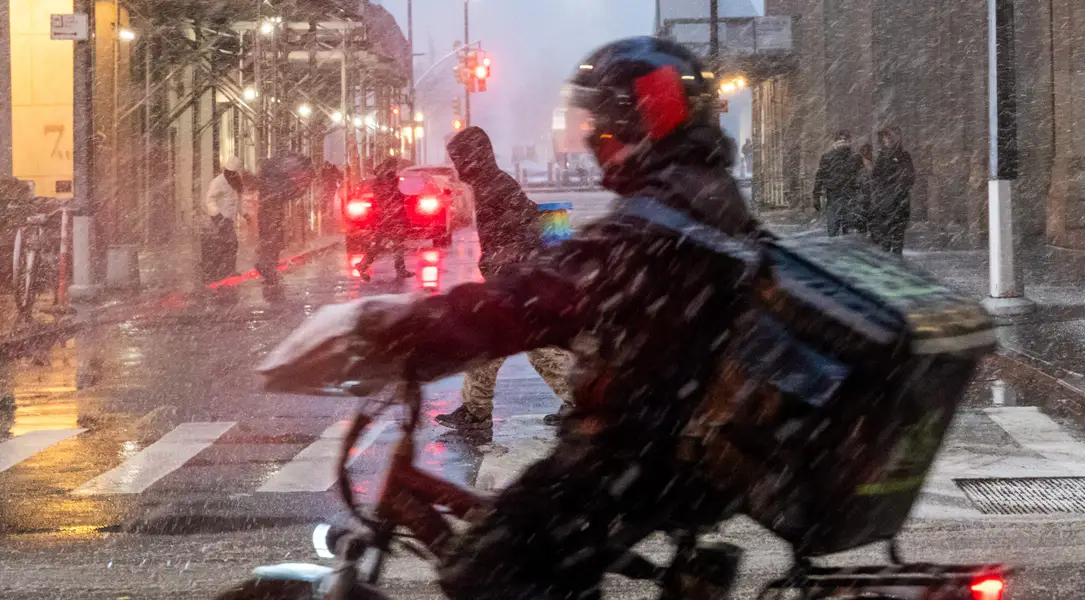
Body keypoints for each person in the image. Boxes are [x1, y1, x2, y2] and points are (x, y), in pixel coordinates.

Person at [273, 38, 757, 600]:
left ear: (644, 117)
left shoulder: (665, 212)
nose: (594, 138)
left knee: (487, 567)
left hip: (641, 447)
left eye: (603, 122)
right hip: (666, 437)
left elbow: (553, 288)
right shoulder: (695, 192)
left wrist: (396, 329)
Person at [434, 126, 574, 433]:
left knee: (534, 347)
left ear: (474, 157)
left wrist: (504, 264)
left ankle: (580, 402)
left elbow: (520, 229)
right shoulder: (490, 183)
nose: (457, 167)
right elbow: (523, 222)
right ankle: (475, 411)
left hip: (517, 281)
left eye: (459, 159)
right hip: (513, 279)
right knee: (489, 345)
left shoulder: (495, 186)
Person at [256, 152, 313, 298]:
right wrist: (299, 190)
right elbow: (284, 194)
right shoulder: (274, 182)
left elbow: (282, 194)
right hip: (271, 216)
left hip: (270, 215)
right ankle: (268, 269)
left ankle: (268, 268)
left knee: (272, 243)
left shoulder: (270, 179)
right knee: (273, 243)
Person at [356, 158, 413, 281]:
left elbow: (391, 197)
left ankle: (363, 265)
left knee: (383, 244)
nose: (396, 168)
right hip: (389, 217)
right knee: (395, 244)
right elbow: (390, 197)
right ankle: (400, 269)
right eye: (394, 165)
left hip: (386, 217)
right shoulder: (386, 180)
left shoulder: (383, 179)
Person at [869, 126, 915, 254]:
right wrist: (880, 193)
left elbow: (909, 177)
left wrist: (898, 189)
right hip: (885, 203)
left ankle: (895, 259)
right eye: (885, 137)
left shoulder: (904, 156)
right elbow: (875, 178)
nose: (887, 140)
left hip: (899, 202)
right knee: (885, 239)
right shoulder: (882, 157)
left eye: (890, 136)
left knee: (898, 238)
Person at [812, 130, 864, 237]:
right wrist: (816, 195)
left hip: (849, 197)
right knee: (834, 230)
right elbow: (820, 176)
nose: (842, 141)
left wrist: (864, 196)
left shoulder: (855, 157)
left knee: (847, 231)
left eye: (845, 139)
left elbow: (862, 177)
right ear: (835, 141)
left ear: (849, 141)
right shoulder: (827, 157)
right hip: (834, 197)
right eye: (840, 139)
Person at [202, 156, 245, 283]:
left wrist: (245, 214)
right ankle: (226, 270)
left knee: (227, 244)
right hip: (221, 217)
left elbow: (237, 201)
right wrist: (217, 214)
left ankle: (224, 270)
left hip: (228, 218)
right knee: (231, 243)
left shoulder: (236, 182)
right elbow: (209, 200)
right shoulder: (218, 182)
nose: (232, 175)